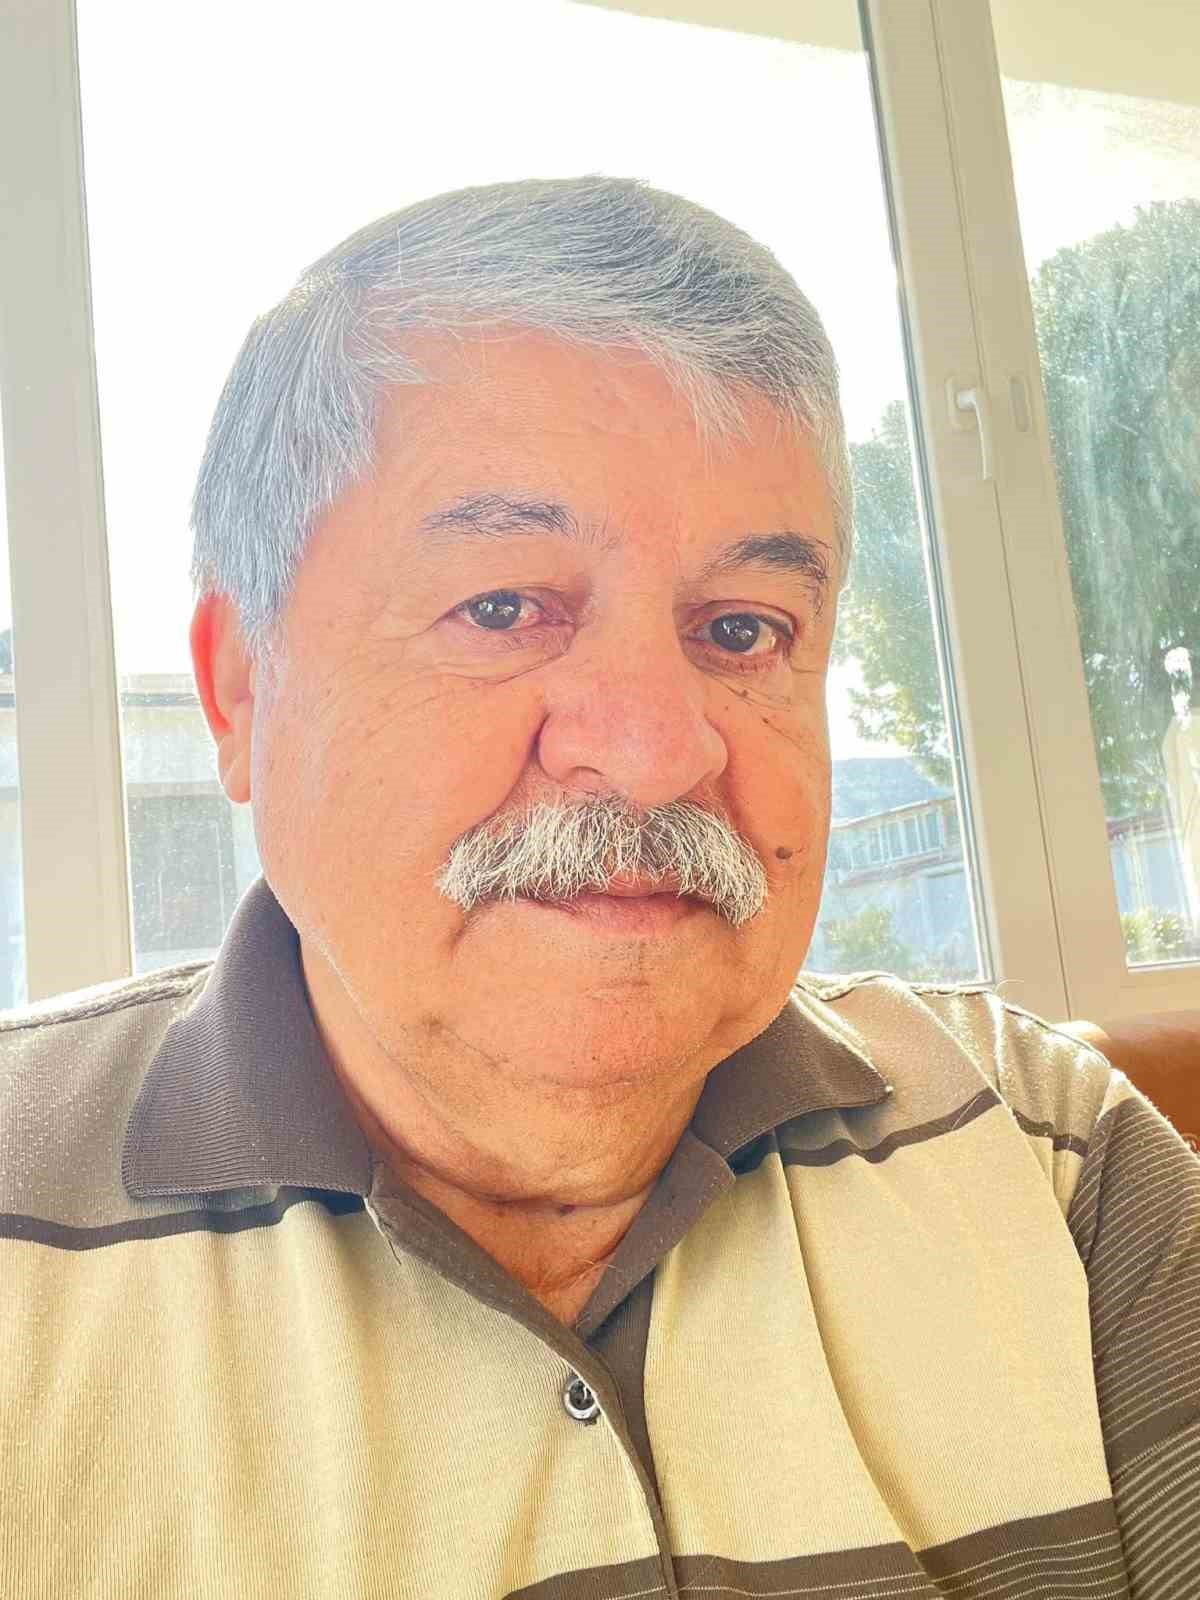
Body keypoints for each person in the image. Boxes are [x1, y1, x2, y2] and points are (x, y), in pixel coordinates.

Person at [3, 176, 1196, 1600]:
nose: (655, 750)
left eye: (743, 630)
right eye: (503, 607)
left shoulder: (1048, 1151)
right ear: (240, 690)